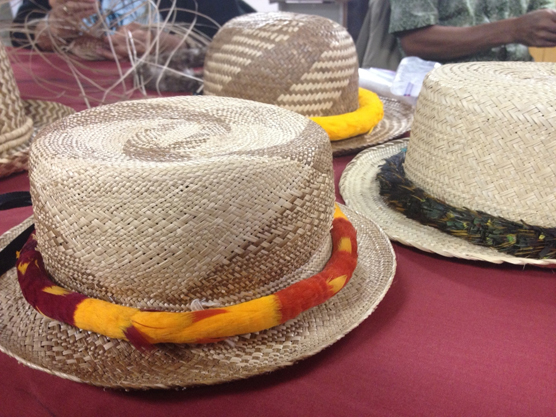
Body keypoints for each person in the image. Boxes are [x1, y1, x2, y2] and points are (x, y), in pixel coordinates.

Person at [10, 0, 251, 59]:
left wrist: (173, 44)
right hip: (71, 100)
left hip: (172, 100)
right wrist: (53, 28)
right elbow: (22, 31)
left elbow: (232, 33)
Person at [388, 0, 556, 63]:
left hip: (519, 91)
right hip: (447, 97)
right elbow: (415, 41)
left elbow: (546, 10)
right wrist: (513, 30)